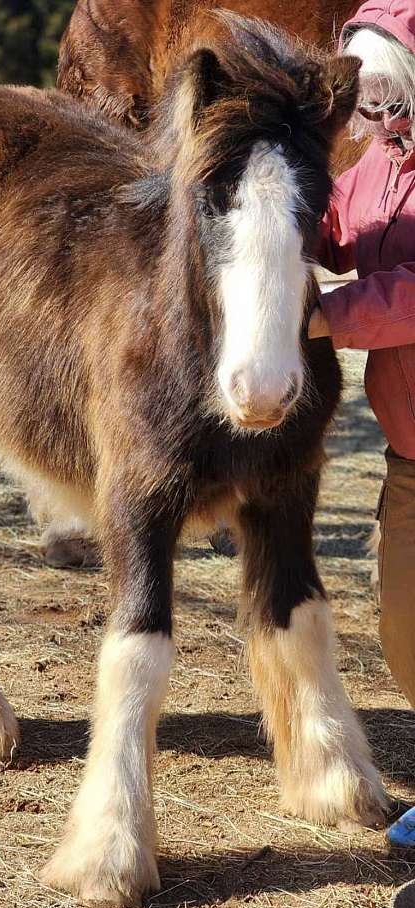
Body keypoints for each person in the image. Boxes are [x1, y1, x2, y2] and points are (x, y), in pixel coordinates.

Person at [310, 0, 415, 713]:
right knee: (403, 625)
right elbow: (332, 223)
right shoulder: (380, 163)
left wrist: (326, 316)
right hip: (408, 455)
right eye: (365, 110)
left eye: (392, 104)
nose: (378, 126)